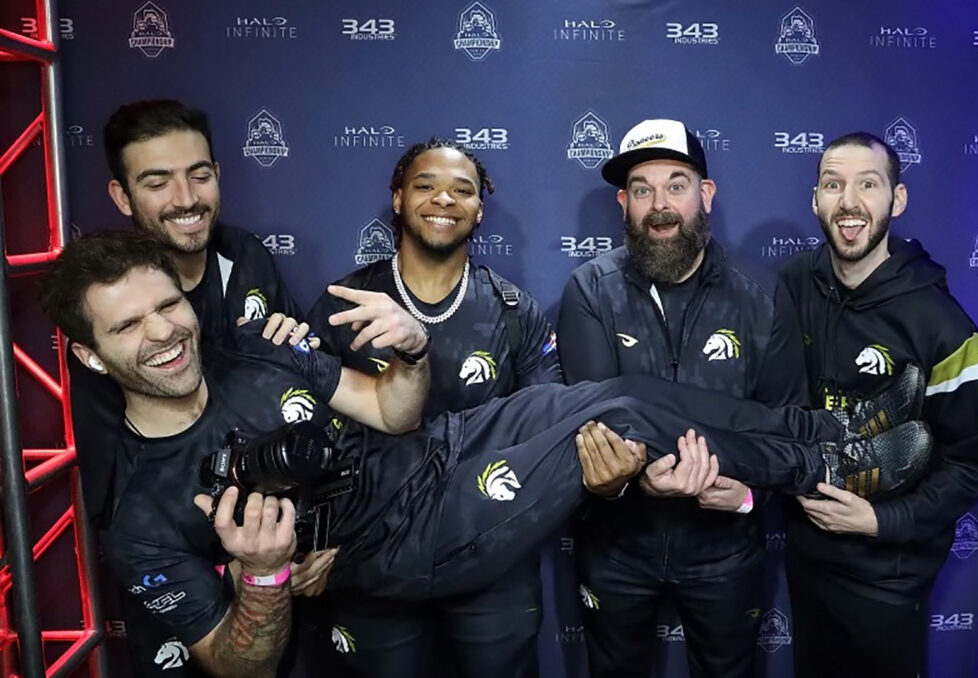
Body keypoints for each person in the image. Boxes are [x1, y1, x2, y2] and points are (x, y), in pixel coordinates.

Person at [42, 232, 926, 677]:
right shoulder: (143, 516)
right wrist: (265, 577)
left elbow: (389, 413)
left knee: (614, 397)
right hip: (413, 541)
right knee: (615, 411)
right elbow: (238, 665)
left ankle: (825, 439)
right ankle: (831, 457)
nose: (164, 334)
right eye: (129, 326)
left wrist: (414, 353)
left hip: (441, 447)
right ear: (87, 354)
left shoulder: (255, 353)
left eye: (168, 306)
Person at [557, 118, 807, 678]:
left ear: (706, 195)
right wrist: (633, 479)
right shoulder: (590, 290)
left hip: (726, 550)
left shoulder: (762, 294)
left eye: (677, 184)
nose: (660, 204)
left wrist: (747, 494)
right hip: (616, 546)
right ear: (623, 203)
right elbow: (591, 422)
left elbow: (788, 423)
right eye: (642, 189)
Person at [306, 139, 561, 676]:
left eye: (461, 190)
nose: (444, 199)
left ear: (479, 209)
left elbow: (545, 432)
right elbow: (310, 437)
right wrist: (319, 538)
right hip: (373, 561)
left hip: (490, 561)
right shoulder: (345, 306)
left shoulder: (514, 311)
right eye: (425, 186)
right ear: (397, 198)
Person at [778, 132, 978, 677]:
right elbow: (773, 407)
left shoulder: (942, 324)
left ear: (896, 200)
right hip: (806, 560)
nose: (849, 201)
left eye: (868, 184)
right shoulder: (791, 286)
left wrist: (882, 519)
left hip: (888, 576)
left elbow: (971, 464)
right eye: (834, 184)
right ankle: (852, 432)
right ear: (815, 200)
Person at [71, 100, 305, 530]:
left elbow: (306, 382)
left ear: (217, 175)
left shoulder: (245, 254)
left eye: (199, 176)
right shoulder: (103, 306)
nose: (186, 199)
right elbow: (115, 497)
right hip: (199, 551)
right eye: (157, 183)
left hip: (289, 510)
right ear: (123, 197)